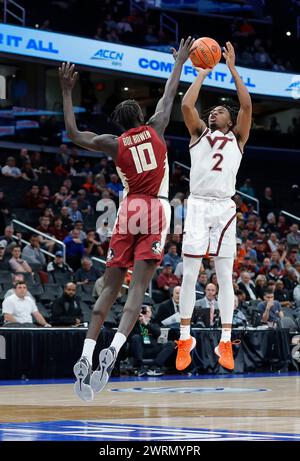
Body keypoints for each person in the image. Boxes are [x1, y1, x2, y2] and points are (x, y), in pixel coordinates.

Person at [59, 37, 195, 400]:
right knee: (137, 291)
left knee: (109, 288)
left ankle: (87, 352)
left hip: (128, 209)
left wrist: (67, 91)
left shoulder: (114, 143)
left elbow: (73, 134)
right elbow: (169, 92)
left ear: (120, 124)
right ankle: (115, 350)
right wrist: (180, 61)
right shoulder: (158, 126)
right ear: (141, 116)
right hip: (155, 207)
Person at [176, 41, 252, 372]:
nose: (213, 112)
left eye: (219, 111)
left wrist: (232, 69)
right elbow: (187, 104)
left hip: (223, 208)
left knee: (225, 276)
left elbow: (247, 107)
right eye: (213, 111)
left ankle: (225, 341)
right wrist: (204, 73)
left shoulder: (237, 137)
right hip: (197, 206)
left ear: (230, 119)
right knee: (190, 273)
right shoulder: (198, 134)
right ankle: (185, 337)